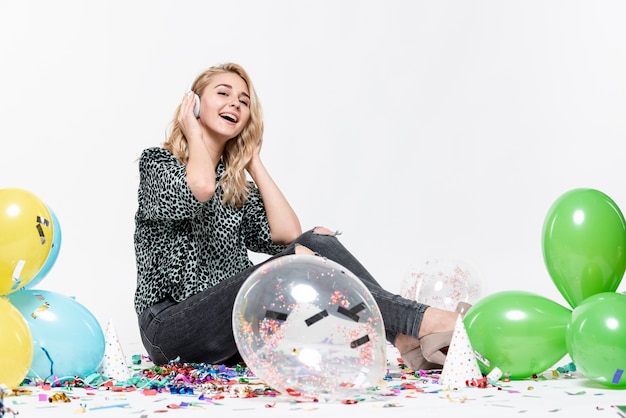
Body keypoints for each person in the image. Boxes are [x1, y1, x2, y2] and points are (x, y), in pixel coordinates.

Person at [133, 62, 464, 371]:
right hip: (170, 330)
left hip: (232, 331)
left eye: (243, 101)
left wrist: (254, 162)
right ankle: (423, 321)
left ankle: (403, 338)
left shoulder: (234, 187)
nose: (235, 103)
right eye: (223, 93)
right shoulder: (159, 164)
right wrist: (191, 130)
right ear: (194, 105)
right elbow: (200, 187)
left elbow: (287, 233)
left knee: (316, 239)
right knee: (296, 260)